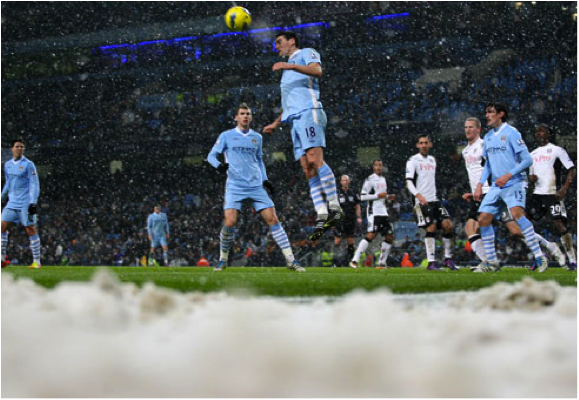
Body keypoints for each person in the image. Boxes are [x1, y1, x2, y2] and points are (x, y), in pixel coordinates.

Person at [263, 31, 343, 242]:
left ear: (292, 41)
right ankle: (322, 213)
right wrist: (276, 123)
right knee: (307, 168)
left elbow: (317, 71)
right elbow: (290, 104)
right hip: (294, 120)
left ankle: (335, 206)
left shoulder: (306, 53)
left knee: (316, 160)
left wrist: (290, 66)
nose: (277, 47)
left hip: (310, 112)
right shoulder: (286, 72)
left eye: (279, 42)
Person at [208, 103, 304, 272]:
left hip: (255, 186)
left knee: (273, 220)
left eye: (248, 113)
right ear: (236, 117)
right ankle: (222, 259)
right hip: (235, 186)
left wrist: (265, 180)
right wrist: (218, 165)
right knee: (230, 222)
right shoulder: (226, 136)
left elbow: (259, 161)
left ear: (251, 117)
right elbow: (211, 156)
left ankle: (291, 260)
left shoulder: (257, 138)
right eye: (242, 113)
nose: (245, 116)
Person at [461, 118, 564, 271]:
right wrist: (475, 190)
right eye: (466, 127)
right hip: (482, 194)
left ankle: (548, 247)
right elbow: (478, 173)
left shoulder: (485, 144)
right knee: (475, 228)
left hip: (493, 192)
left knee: (513, 230)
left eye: (471, 127)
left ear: (478, 129)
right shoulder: (465, 151)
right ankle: (488, 261)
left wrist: (489, 188)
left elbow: (492, 168)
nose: (468, 130)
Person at [474, 102, 548, 272]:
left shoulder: (512, 133)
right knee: (483, 219)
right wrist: (479, 184)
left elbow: (527, 160)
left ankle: (539, 257)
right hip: (496, 186)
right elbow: (488, 165)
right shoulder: (488, 137)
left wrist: (508, 175)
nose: (487, 115)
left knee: (516, 214)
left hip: (514, 182)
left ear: (501, 114)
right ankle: (492, 263)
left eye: (491, 112)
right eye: (486, 112)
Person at [528, 124, 577, 270]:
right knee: (525, 224)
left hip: (552, 193)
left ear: (548, 134)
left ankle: (573, 260)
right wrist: (532, 179)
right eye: (537, 132)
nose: (538, 134)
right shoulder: (533, 154)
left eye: (542, 131)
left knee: (558, 224)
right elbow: (531, 176)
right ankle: (539, 255)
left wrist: (564, 189)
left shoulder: (557, 150)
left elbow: (572, 170)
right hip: (537, 194)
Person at [406, 134, 458, 271]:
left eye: (426, 143)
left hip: (434, 200)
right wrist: (418, 195)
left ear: (430, 144)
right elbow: (408, 181)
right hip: (421, 201)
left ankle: (448, 259)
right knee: (432, 226)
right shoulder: (413, 160)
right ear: (417, 145)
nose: (424, 145)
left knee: (448, 225)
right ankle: (431, 262)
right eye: (421, 143)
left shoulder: (432, 160)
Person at [1, 139, 41, 269]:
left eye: (21, 147)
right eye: (17, 146)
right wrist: (1, 198)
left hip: (25, 202)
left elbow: (34, 184)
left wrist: (32, 202)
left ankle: (36, 262)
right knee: (1, 226)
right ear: (12, 149)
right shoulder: (7, 165)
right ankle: (2, 258)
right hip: (12, 202)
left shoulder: (29, 164)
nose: (19, 148)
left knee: (30, 229)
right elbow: (8, 183)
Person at [350, 160, 396, 269]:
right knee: (371, 235)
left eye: (380, 165)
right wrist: (378, 195)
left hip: (383, 212)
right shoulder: (370, 179)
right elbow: (362, 196)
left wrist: (388, 197)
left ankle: (381, 263)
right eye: (376, 165)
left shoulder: (383, 179)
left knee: (389, 237)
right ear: (373, 167)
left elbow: (382, 196)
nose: (379, 167)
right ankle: (354, 260)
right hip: (374, 212)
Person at [332, 175, 362, 267]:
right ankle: (335, 263)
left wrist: (359, 217)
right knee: (337, 241)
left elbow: (357, 205)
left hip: (350, 219)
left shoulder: (353, 192)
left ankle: (350, 262)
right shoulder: (336, 193)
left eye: (347, 180)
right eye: (344, 180)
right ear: (341, 182)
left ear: (349, 182)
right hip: (340, 220)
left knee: (351, 241)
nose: (345, 182)